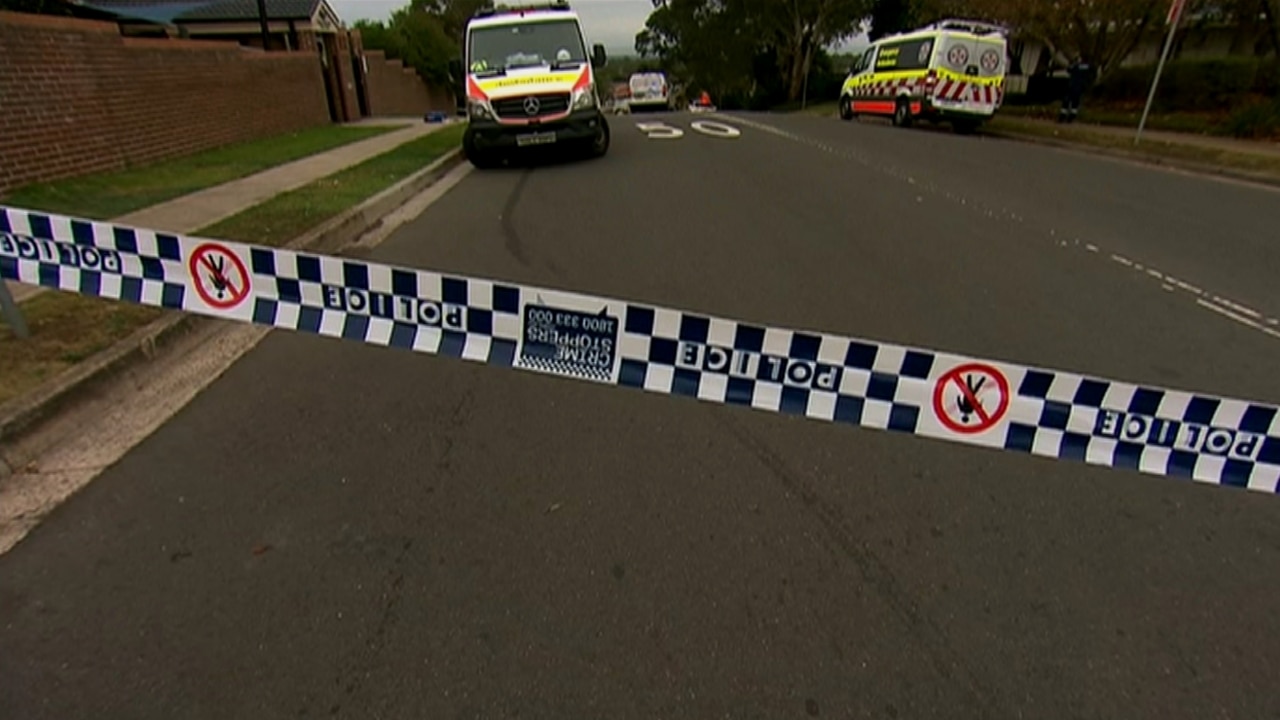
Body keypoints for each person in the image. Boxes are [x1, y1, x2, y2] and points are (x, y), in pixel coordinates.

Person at [1059, 56, 1094, 124]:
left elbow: (1069, 70)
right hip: (1080, 87)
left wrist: (1073, 63)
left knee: (1066, 101)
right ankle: (1071, 117)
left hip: (1072, 85)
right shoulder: (1088, 67)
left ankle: (1062, 117)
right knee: (1075, 103)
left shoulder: (1076, 66)